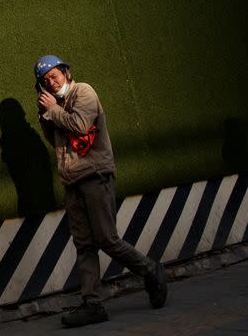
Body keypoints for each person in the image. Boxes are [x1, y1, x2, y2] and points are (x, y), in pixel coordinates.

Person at [33, 54, 167, 328]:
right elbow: (54, 140)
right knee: (84, 245)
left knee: (107, 238)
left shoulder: (84, 91)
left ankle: (151, 270)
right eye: (45, 81)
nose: (51, 82)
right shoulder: (53, 106)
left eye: (55, 76)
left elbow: (81, 124)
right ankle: (92, 303)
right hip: (72, 181)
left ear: (67, 73)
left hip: (95, 175)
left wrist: (54, 111)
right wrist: (46, 115)